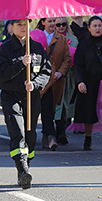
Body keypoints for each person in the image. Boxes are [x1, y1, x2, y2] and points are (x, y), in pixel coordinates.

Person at [0, 19, 52, 189]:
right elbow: (1, 75)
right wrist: (21, 65)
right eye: (18, 24)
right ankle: (22, 170)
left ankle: (26, 166)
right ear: (11, 27)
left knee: (30, 135)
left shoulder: (36, 47)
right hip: (11, 97)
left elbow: (46, 71)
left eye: (25, 24)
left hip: (32, 97)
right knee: (17, 132)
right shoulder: (4, 49)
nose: (23, 27)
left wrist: (35, 84)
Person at [69, 16, 102, 152]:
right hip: (89, 84)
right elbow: (78, 66)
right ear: (89, 27)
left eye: (100, 26)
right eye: (95, 26)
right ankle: (88, 137)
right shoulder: (84, 44)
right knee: (89, 112)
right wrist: (80, 82)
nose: (98, 28)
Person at [36, 17, 71, 151]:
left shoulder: (61, 39)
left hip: (55, 81)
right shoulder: (35, 36)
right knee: (41, 108)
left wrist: (60, 72)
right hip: (40, 80)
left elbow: (67, 58)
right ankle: (46, 135)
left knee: (49, 108)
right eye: (49, 21)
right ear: (43, 22)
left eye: (54, 22)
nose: (52, 24)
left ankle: (49, 135)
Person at [55, 17, 79, 144]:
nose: (61, 27)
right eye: (58, 24)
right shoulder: (50, 39)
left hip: (68, 76)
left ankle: (61, 130)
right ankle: (53, 131)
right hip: (53, 76)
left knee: (65, 104)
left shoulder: (73, 40)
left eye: (64, 24)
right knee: (56, 104)